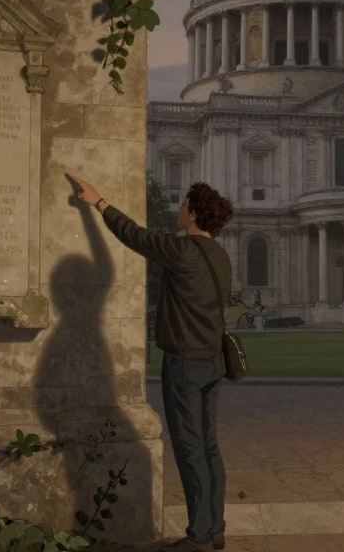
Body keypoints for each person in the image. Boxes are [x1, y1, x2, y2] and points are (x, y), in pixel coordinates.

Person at [70, 176, 234, 552]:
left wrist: (99, 202)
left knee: (191, 448)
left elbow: (134, 235)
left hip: (186, 362)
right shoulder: (221, 256)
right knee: (209, 445)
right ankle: (216, 525)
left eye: (182, 204)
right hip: (212, 361)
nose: (178, 209)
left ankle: (199, 535)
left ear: (193, 213)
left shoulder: (183, 251)